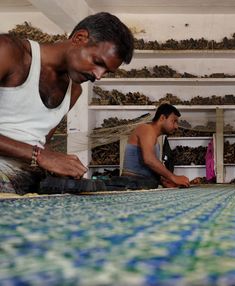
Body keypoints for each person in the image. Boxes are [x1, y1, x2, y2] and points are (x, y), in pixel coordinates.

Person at [0, 12, 134, 193]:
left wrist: (61, 166)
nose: (98, 76)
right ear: (79, 38)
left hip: (25, 180)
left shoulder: (74, 91)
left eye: (106, 72)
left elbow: (39, 142)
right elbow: (39, 152)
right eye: (97, 62)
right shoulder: (9, 52)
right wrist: (40, 156)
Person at [122, 104, 190, 188]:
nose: (176, 126)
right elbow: (149, 159)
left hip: (143, 183)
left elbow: (150, 166)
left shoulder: (154, 139)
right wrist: (173, 177)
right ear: (162, 118)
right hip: (132, 184)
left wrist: (163, 181)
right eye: (174, 121)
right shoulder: (146, 129)